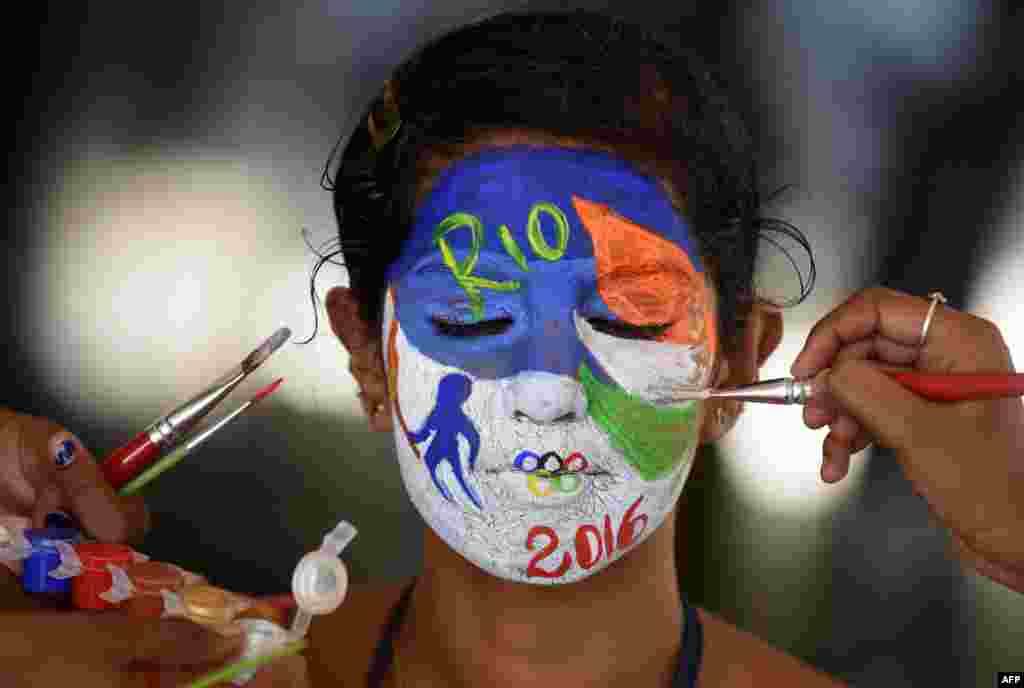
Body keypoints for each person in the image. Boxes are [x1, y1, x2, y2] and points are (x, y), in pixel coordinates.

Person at [2, 10, 1021, 688]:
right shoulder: (187, 666)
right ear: (367, 351)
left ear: (738, 362)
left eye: (625, 317)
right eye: (477, 318)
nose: (543, 390)